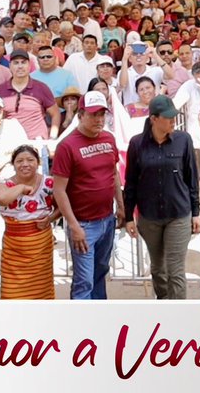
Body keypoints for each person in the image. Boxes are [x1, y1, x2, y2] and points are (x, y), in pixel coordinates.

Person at [124, 94, 200, 300]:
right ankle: (164, 303)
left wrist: (196, 212)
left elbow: (191, 178)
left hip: (178, 213)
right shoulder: (137, 144)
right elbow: (130, 181)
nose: (172, 120)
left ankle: (179, 315)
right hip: (149, 216)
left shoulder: (183, 140)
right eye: (167, 117)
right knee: (158, 268)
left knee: (176, 269)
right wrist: (128, 216)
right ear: (154, 119)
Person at [51, 90, 125, 300]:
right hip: (83, 223)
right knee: (85, 280)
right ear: (81, 115)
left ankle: (98, 317)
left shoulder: (109, 139)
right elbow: (59, 189)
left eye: (102, 114)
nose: (98, 119)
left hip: (107, 219)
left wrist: (120, 206)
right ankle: (82, 325)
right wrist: (74, 226)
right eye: (93, 114)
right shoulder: (67, 146)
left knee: (100, 272)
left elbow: (114, 174)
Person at [0, 144, 59, 299]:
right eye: (20, 161)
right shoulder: (3, 184)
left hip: (40, 245)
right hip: (13, 247)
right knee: (12, 292)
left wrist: (50, 218)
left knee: (42, 291)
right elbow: (1, 199)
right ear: (13, 165)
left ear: (38, 163)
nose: (25, 164)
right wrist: (21, 187)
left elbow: (62, 207)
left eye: (30, 160)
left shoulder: (49, 183)